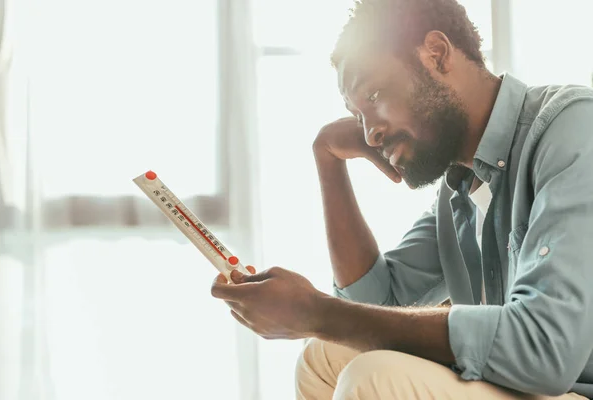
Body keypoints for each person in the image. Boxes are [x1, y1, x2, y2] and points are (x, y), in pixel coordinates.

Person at [211, 0, 593, 398]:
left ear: (437, 54)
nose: (370, 133)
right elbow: (377, 305)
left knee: (374, 378)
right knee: (324, 355)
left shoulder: (572, 129)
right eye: (357, 116)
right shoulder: (458, 190)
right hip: (538, 382)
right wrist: (327, 159)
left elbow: (546, 348)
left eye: (373, 94)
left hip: (571, 385)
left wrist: (317, 312)